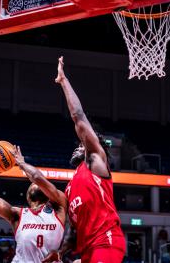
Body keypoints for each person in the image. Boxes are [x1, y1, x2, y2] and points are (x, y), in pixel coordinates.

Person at [46, 56, 126, 263]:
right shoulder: (71, 187)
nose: (77, 146)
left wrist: (63, 81)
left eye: (80, 143)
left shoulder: (95, 160)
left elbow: (79, 117)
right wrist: (60, 251)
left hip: (106, 241)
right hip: (87, 249)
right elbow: (74, 232)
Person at [0, 146, 67, 263]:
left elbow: (37, 177)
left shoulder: (58, 207)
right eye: (31, 184)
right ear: (27, 197)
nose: (34, 183)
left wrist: (21, 163)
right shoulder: (18, 214)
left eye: (37, 183)